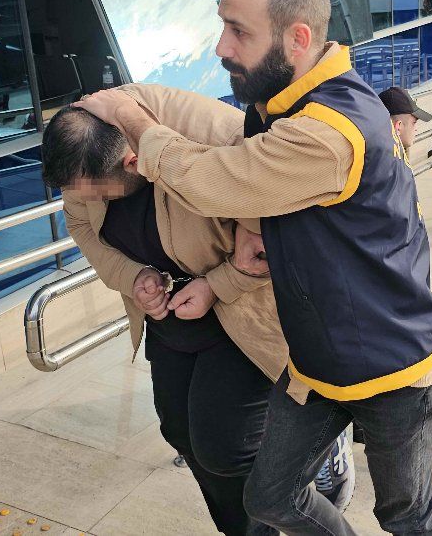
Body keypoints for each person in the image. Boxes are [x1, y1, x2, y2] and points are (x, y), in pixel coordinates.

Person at [76, 0, 432, 535]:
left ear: (297, 39)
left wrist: (128, 114)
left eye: (238, 31)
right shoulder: (277, 106)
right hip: (314, 360)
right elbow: (254, 191)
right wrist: (249, 240)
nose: (221, 47)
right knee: (271, 499)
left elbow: (208, 182)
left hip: (391, 366)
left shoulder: (329, 131)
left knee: (406, 516)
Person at [42, 86, 351, 536]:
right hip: (171, 317)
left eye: (102, 195)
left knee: (227, 448)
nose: (94, 203)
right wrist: (133, 277)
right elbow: (80, 225)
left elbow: (280, 239)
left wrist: (217, 285)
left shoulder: (222, 138)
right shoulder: (83, 149)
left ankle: (316, 455)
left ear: (134, 163)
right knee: (180, 434)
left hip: (243, 312)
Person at [379, 86, 431, 154]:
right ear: (398, 127)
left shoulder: (376, 153)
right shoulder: (388, 159)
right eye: (414, 123)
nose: (416, 129)